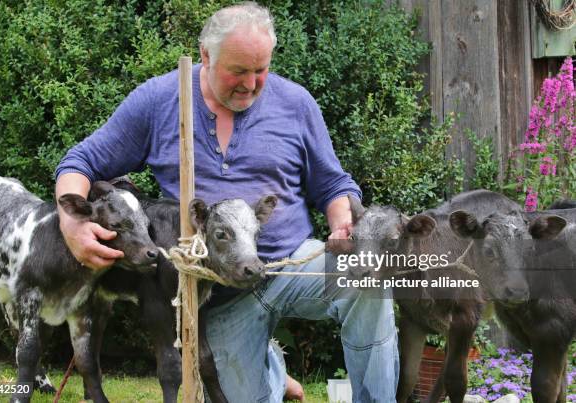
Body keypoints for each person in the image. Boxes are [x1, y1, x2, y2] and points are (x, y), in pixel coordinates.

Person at [55, 2, 398, 402]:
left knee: (368, 279)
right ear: (206, 55)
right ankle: (268, 363)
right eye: (238, 70)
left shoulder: (296, 103)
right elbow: (82, 161)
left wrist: (343, 221)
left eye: (261, 70)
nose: (252, 84)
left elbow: (333, 184)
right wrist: (72, 223)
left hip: (290, 265)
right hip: (216, 295)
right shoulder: (160, 100)